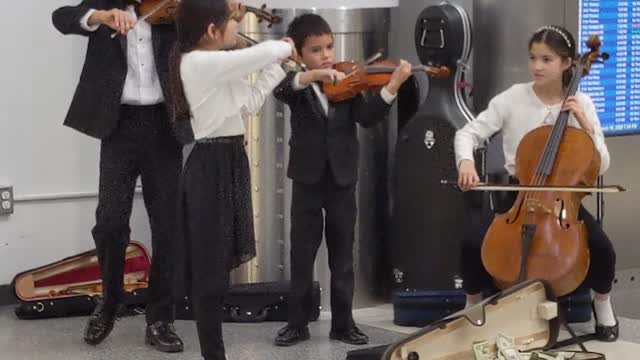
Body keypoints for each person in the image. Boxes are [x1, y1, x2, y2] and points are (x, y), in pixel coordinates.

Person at [454, 25, 618, 342]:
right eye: (533, 58)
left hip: (562, 201)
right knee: (472, 242)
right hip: (519, 193)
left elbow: (602, 165)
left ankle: (603, 305)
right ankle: (471, 305)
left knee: (603, 248)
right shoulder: (513, 98)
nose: (537, 66)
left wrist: (584, 122)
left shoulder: (582, 102)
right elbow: (467, 133)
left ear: (568, 63)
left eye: (547, 59)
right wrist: (465, 161)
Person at [272, 13, 413, 347]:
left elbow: (367, 118)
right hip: (306, 178)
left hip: (342, 178)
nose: (326, 55)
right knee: (302, 254)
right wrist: (314, 74)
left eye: (330, 47)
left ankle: (343, 323)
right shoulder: (295, 82)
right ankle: (297, 323)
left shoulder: (349, 82)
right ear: (300, 54)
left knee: (342, 257)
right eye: (317, 50)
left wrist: (392, 86)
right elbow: (283, 89)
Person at [51, 0, 183, 351]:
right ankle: (111, 301)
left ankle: (160, 317)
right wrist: (99, 17)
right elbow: (62, 17)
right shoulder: (106, 4)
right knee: (110, 221)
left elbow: (210, 26)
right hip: (118, 126)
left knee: (168, 225)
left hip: (164, 125)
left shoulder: (174, 9)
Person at [168, 0, 296, 358]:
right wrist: (283, 46)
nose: (234, 29)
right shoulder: (196, 62)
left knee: (219, 272)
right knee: (209, 274)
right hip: (208, 166)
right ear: (211, 30)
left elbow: (251, 101)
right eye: (229, 23)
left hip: (230, 161)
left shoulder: (217, 67)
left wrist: (279, 67)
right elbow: (259, 53)